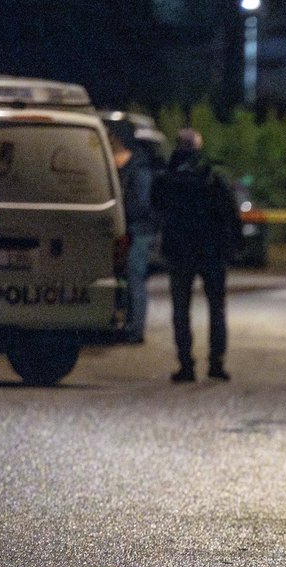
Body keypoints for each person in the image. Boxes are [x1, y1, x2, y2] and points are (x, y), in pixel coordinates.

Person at [151, 128, 241, 382]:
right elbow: (231, 213)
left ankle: (186, 365)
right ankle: (216, 364)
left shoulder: (168, 176)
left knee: (181, 310)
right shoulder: (214, 175)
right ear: (200, 147)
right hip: (213, 252)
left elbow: (156, 206)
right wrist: (234, 245)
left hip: (180, 252)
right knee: (217, 309)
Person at [108, 122, 156, 344]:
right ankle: (129, 324)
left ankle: (136, 330)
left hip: (139, 231)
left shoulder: (139, 171)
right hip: (130, 230)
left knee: (135, 278)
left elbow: (141, 205)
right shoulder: (130, 169)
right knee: (128, 279)